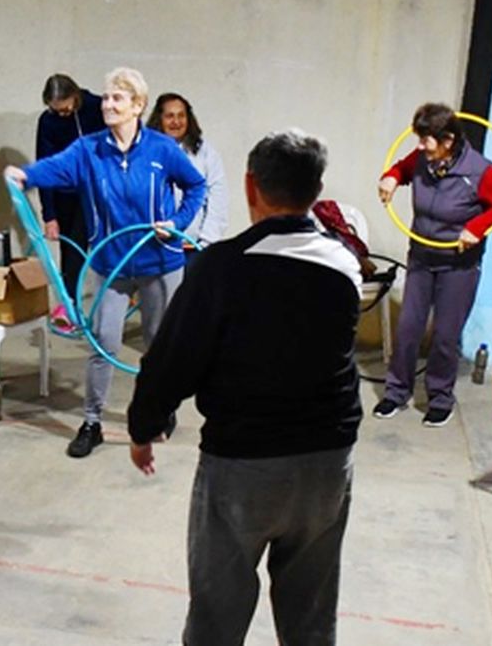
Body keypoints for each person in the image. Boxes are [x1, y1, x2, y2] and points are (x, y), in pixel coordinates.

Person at [127, 129, 363, 646]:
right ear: (316, 190)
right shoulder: (344, 263)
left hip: (242, 464)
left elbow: (172, 360)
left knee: (217, 612)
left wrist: (145, 427)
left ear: (250, 184)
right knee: (311, 614)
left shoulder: (222, 266)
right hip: (327, 462)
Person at [5, 67, 206, 458]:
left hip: (160, 263)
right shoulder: (90, 150)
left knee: (158, 346)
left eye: (118, 98)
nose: (109, 104)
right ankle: (92, 421)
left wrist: (178, 224)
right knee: (104, 343)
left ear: (138, 106)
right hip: (113, 264)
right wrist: (25, 175)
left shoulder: (162, 149)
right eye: (108, 97)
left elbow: (196, 186)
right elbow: (56, 167)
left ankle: (158, 411)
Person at [373, 103, 492, 426]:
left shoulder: (479, 170)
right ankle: (395, 393)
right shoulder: (422, 159)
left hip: (458, 265)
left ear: (448, 140)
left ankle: (439, 397)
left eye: (426, 140)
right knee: (408, 328)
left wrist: (476, 228)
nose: (419, 147)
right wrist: (391, 178)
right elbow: (402, 169)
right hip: (421, 257)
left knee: (446, 335)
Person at [35, 73, 107, 329]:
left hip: (100, 193)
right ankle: (70, 307)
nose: (62, 114)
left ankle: (113, 301)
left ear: (75, 96)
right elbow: (44, 165)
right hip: (66, 195)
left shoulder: (99, 107)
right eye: (56, 110)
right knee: (71, 252)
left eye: (65, 108)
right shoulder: (48, 121)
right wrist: (49, 215)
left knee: (100, 246)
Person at [147, 92, 228, 251]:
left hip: (195, 246)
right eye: (170, 116)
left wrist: (206, 243)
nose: (176, 122)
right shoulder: (146, 152)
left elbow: (218, 199)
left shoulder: (206, 153)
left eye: (181, 116)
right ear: (159, 119)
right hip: (156, 248)